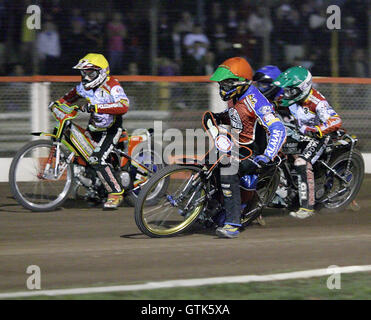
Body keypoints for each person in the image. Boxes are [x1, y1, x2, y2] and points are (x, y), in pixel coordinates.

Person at [209, 57, 287, 238]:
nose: (222, 88)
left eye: (227, 84)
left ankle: (233, 223)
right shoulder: (234, 96)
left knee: (229, 170)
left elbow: (278, 128)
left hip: (255, 152)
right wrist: (219, 118)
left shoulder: (256, 100)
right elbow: (237, 117)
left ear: (241, 82)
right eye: (221, 83)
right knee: (209, 162)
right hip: (239, 145)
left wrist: (268, 156)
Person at [53, 53, 129, 209]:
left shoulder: (112, 85)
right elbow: (66, 99)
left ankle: (115, 193)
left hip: (111, 130)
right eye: (84, 73)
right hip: (93, 129)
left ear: (102, 72)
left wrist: (97, 107)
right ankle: (95, 188)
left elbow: (123, 106)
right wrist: (55, 105)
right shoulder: (83, 87)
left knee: (96, 158)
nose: (86, 77)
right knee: (82, 155)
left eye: (90, 73)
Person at [273, 66, 342, 219]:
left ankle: (307, 207)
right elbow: (274, 104)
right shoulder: (290, 98)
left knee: (301, 163)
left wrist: (317, 130)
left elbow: (336, 120)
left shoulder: (317, 102)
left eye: (290, 90)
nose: (286, 93)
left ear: (302, 88)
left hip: (317, 137)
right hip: (299, 133)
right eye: (287, 90)